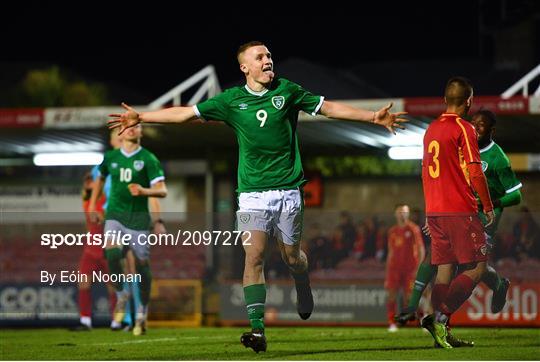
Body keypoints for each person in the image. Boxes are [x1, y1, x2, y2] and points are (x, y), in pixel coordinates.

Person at [107, 41, 407, 352]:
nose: (267, 60)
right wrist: (142, 117)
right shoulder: (231, 100)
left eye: (269, 56)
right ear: (245, 67)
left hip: (288, 190)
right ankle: (258, 330)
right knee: (254, 257)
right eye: (259, 57)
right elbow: (185, 113)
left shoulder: (287, 91)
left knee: (292, 258)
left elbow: (329, 108)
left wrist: (372, 117)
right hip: (251, 194)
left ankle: (302, 283)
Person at [395, 109, 523, 327]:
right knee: (440, 261)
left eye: (481, 125)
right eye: (473, 123)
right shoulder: (461, 148)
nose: (475, 127)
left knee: (467, 267)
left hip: (485, 218)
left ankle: (444, 316)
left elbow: (516, 194)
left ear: (492, 130)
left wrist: (491, 203)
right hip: (458, 213)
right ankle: (426, 314)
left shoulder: (497, 157)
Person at [419, 77, 495, 349]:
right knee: (478, 266)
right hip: (459, 210)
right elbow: (475, 169)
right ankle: (439, 317)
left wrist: (430, 210)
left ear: (444, 100)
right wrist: (486, 205)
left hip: (435, 211)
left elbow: (425, 170)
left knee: (444, 270)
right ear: (470, 101)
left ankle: (443, 333)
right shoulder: (464, 128)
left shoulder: (430, 130)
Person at [89, 123, 168, 336]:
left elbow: (161, 192)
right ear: (121, 133)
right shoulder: (110, 158)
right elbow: (99, 179)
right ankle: (122, 295)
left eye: (136, 125)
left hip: (139, 221)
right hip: (114, 215)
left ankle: (141, 312)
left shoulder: (149, 159)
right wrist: (91, 206)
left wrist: (156, 217)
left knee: (141, 267)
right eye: (127, 126)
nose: (132, 129)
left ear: (142, 132)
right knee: (112, 252)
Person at [70, 172, 117, 331]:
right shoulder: (87, 202)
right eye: (86, 180)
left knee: (113, 286)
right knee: (83, 283)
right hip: (90, 250)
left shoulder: (106, 200)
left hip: (107, 248)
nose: (88, 182)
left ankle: (116, 321)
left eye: (91, 180)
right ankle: (85, 320)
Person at [385, 204, 424, 332]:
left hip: (410, 269)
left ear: (408, 214)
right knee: (391, 295)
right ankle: (391, 323)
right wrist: (388, 271)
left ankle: (423, 319)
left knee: (411, 297)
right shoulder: (392, 231)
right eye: (400, 212)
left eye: (404, 212)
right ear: (395, 214)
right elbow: (390, 252)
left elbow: (420, 249)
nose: (402, 214)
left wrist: (419, 267)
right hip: (394, 269)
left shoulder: (413, 229)